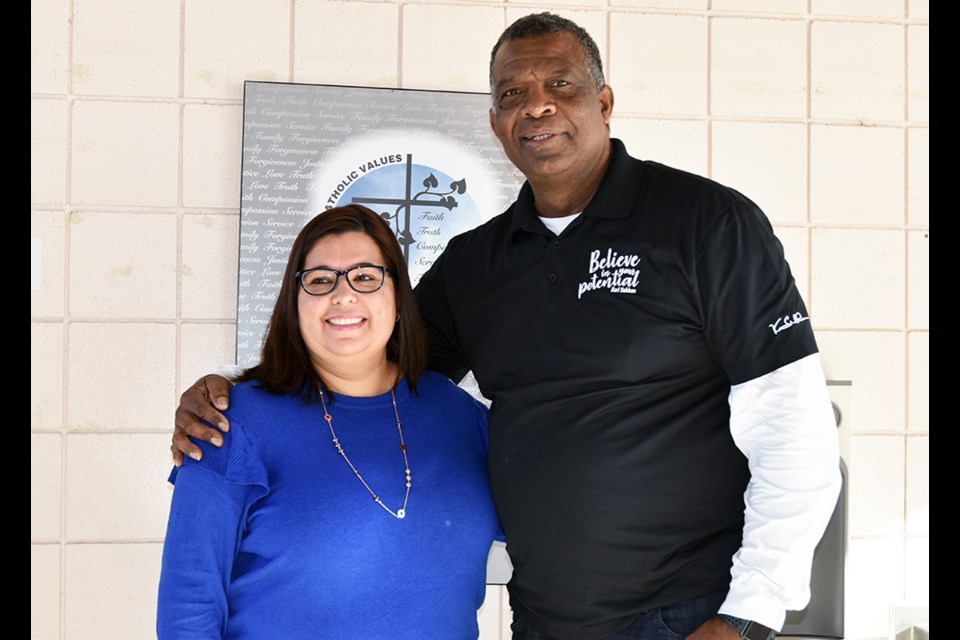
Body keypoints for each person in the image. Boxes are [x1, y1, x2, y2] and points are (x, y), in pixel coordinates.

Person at [171, 13, 842, 640]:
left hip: (688, 616)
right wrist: (234, 394)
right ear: (495, 123)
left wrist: (748, 615)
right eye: (513, 92)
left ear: (603, 103)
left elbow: (795, 427)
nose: (537, 104)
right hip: (545, 620)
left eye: (561, 85)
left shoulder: (706, 224)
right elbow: (367, 360)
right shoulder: (476, 264)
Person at [156, 204, 500, 639]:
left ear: (398, 299)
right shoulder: (229, 423)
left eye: (365, 277)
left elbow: (552, 525)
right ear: (293, 304)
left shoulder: (459, 416)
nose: (343, 295)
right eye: (320, 280)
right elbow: (189, 605)